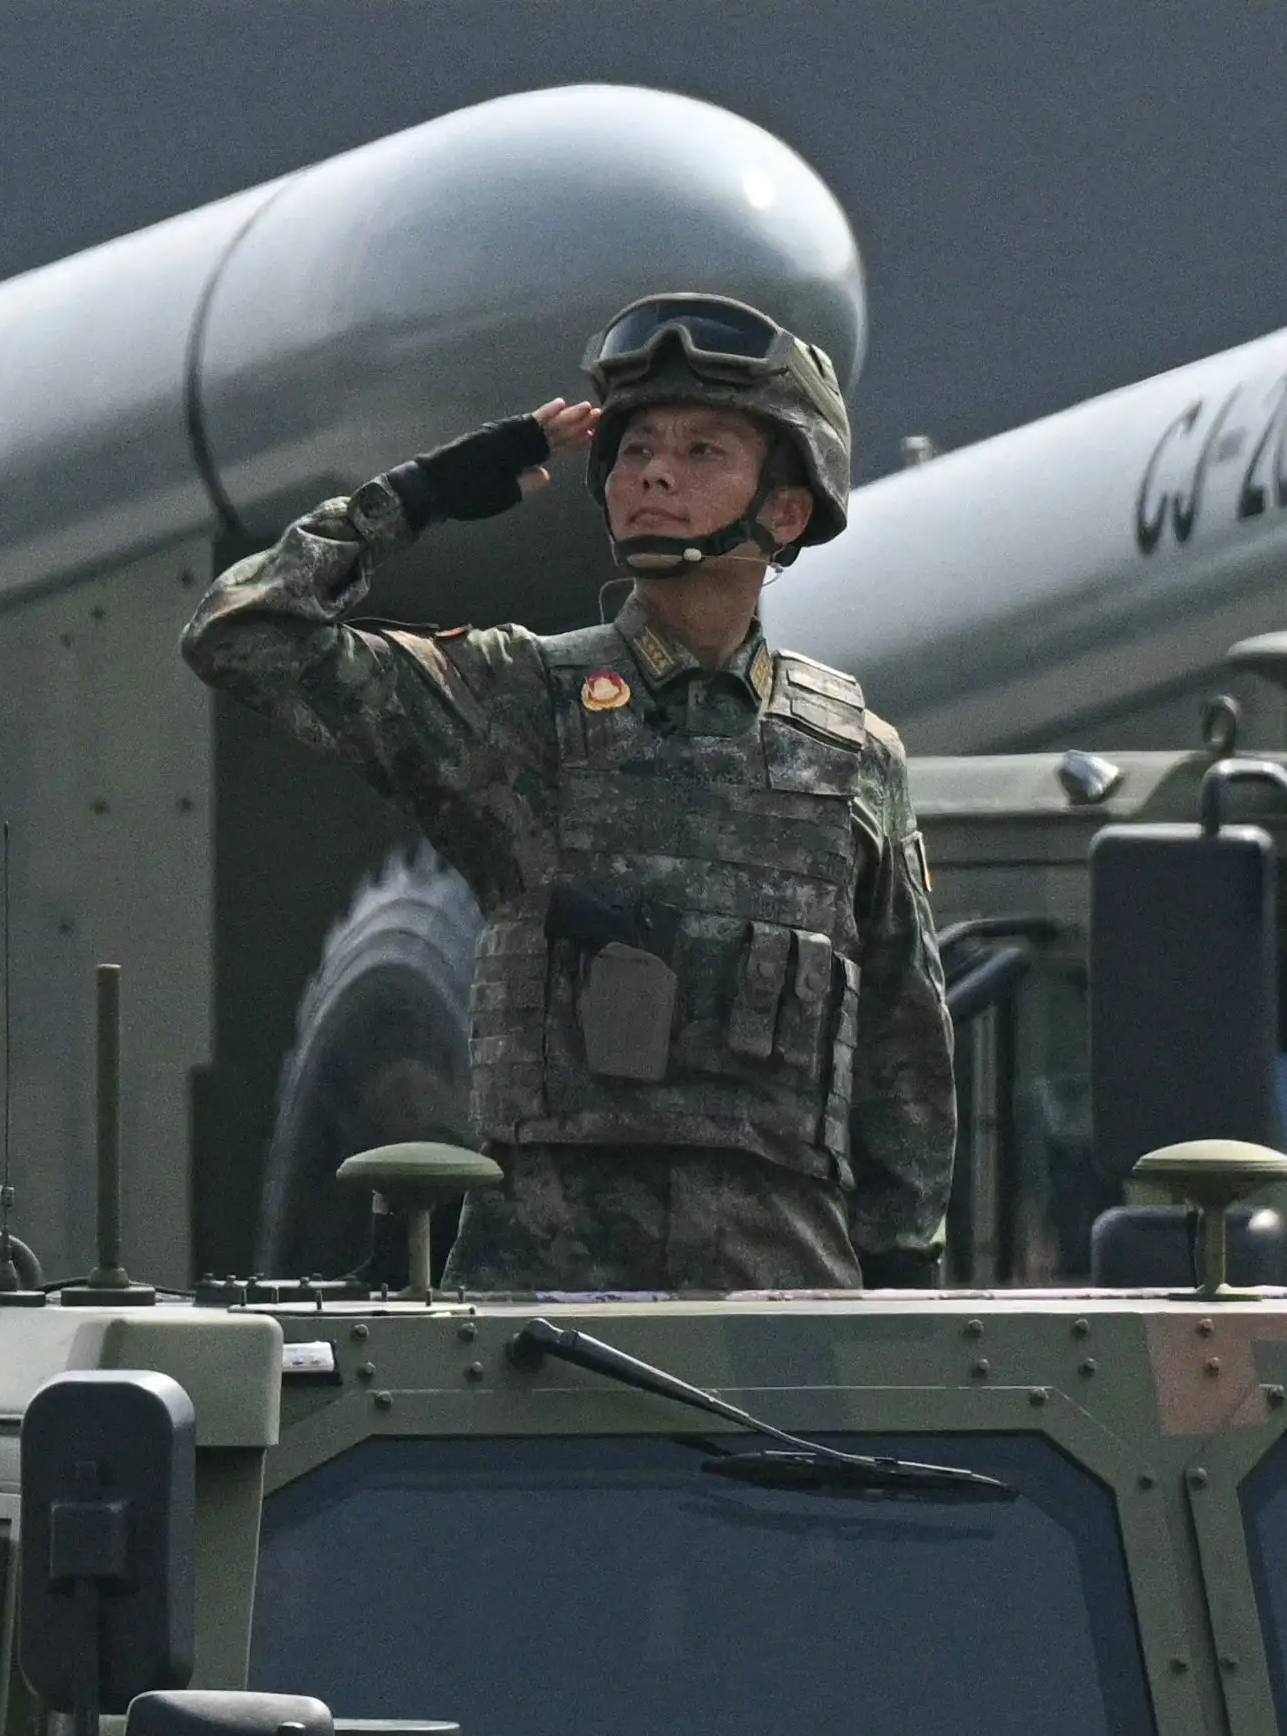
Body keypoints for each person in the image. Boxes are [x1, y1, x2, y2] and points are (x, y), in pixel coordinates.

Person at [180, 294, 952, 1292]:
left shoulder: (852, 754)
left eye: (703, 451)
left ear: (789, 509)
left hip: (787, 1322)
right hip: (543, 1332)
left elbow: (905, 1056)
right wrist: (427, 493)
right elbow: (242, 633)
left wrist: (905, 1308)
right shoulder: (520, 705)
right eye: (634, 453)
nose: (654, 473)